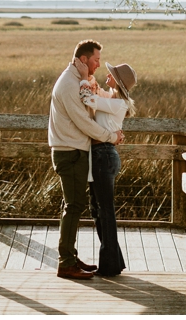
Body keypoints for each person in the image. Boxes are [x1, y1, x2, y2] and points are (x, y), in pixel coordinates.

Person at [48, 39, 124, 280]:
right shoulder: (69, 85)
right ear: (83, 60)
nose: (99, 65)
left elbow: (92, 101)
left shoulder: (77, 80)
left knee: (73, 205)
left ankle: (69, 256)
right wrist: (111, 137)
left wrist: (86, 79)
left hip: (76, 150)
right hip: (70, 152)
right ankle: (66, 263)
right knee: (73, 206)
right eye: (96, 60)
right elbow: (84, 122)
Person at [81, 61, 136, 277]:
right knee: (97, 208)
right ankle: (113, 260)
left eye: (111, 74)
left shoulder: (117, 104)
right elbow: (97, 90)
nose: (107, 75)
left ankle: (110, 264)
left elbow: (86, 98)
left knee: (104, 210)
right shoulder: (111, 99)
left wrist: (84, 79)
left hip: (103, 155)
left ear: (118, 82)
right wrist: (89, 79)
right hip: (101, 155)